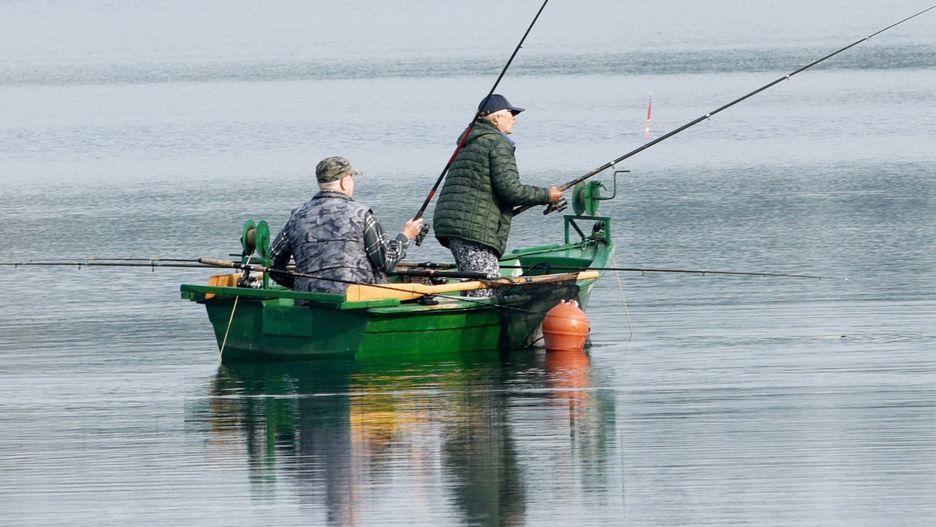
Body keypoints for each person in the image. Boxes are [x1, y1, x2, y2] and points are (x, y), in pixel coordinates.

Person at [432, 94, 563, 290]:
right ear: (497, 117)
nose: (515, 118)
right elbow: (511, 191)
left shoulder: (471, 142)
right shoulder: (497, 143)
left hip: (455, 225)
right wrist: (547, 195)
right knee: (485, 289)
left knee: (473, 284)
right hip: (472, 230)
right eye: (511, 113)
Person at [269, 156, 423, 295]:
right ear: (344, 181)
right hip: (355, 299)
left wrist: (298, 284)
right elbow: (386, 262)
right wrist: (405, 236)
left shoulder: (297, 216)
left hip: (309, 299)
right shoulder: (361, 214)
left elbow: (272, 263)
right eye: (352, 178)